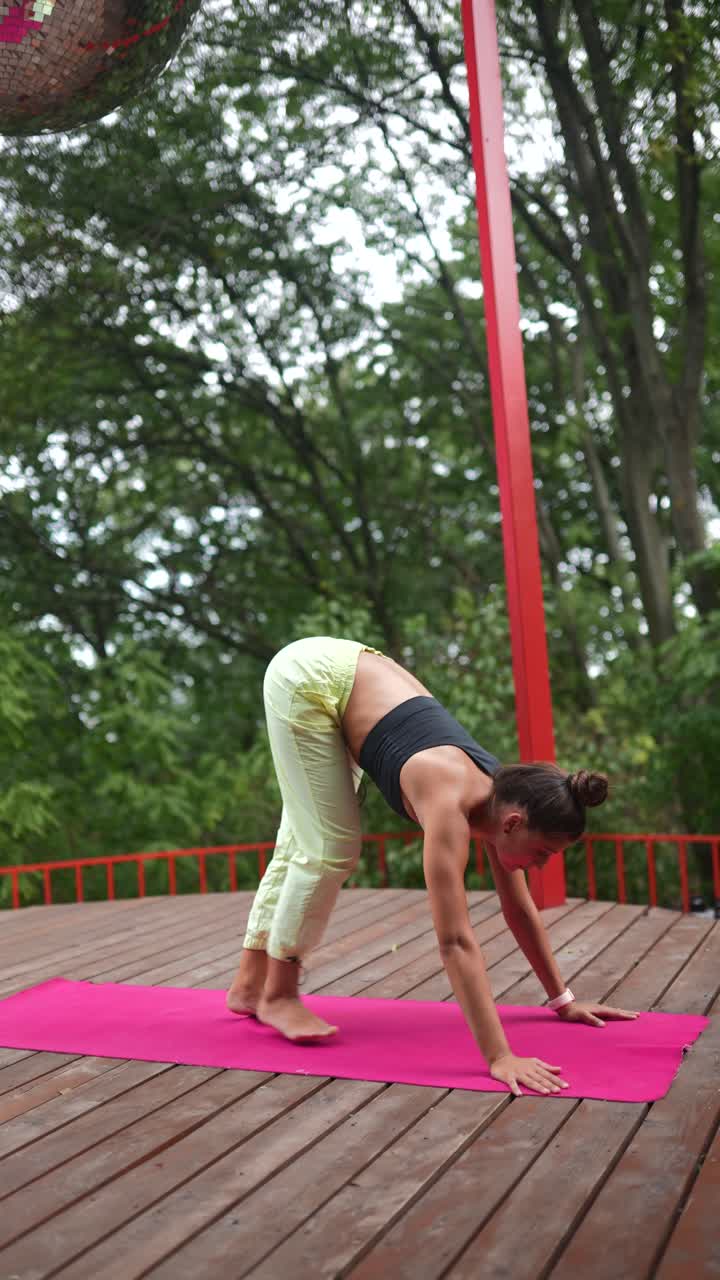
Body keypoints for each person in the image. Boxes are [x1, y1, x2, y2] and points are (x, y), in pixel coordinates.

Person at [227, 636, 638, 1096]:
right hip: (309, 679)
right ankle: (278, 994)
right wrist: (500, 1056)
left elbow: (519, 910)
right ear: (514, 823)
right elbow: (455, 942)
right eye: (543, 853)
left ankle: (248, 986)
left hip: (342, 672)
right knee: (330, 847)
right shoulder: (450, 800)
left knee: (306, 837)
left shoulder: (500, 797)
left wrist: (564, 1001)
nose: (539, 866)